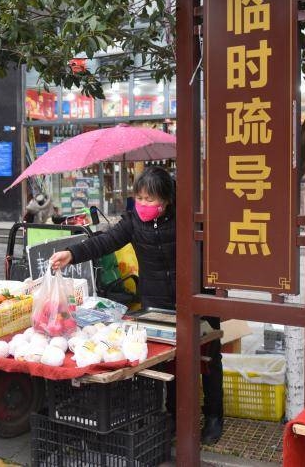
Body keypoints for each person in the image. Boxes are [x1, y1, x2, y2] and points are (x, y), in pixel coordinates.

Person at [49, 166, 225, 445]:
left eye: (149, 199)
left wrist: (211, 290)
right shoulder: (133, 222)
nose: (143, 204)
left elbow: (214, 251)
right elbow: (104, 242)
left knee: (209, 357)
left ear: (166, 199)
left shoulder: (188, 217)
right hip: (158, 304)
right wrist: (72, 253)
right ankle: (176, 416)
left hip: (196, 297)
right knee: (172, 361)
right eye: (139, 198)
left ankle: (214, 415)